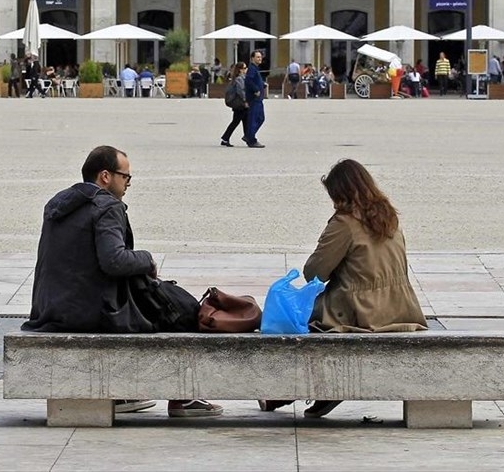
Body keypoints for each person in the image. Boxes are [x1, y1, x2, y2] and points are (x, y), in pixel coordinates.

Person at [23, 145, 223, 419]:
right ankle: (183, 397)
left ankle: (120, 393)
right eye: (125, 176)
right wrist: (147, 260)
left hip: (50, 309)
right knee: (183, 311)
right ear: (105, 176)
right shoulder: (107, 206)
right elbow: (114, 261)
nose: (128, 182)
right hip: (89, 312)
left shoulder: (59, 204)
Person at [259, 159, 426, 419]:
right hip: (402, 308)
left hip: (362, 311)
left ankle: (295, 391)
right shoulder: (389, 217)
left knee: (296, 323)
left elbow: (315, 273)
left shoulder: (345, 223)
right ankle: (308, 392)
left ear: (341, 193)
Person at [219, 62, 249, 147]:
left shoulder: (239, 78)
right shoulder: (239, 79)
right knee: (236, 122)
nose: (246, 69)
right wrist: (245, 101)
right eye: (244, 68)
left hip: (239, 104)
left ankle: (248, 137)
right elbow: (241, 91)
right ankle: (225, 138)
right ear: (240, 70)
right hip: (240, 104)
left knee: (245, 121)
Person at [243, 50, 266, 148]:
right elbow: (248, 80)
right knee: (254, 119)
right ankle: (251, 139)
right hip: (254, 98)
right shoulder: (252, 68)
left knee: (260, 118)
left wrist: (262, 84)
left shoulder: (255, 68)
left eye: (260, 57)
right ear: (252, 58)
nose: (260, 59)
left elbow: (254, 80)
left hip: (258, 98)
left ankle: (248, 135)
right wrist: (256, 89)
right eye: (257, 57)